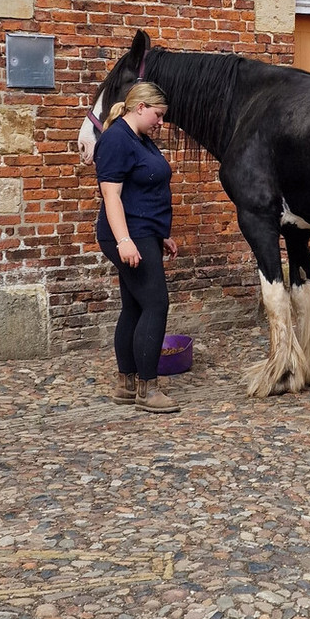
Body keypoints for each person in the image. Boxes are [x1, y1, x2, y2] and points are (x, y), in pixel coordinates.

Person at [94, 80, 180, 413]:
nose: (161, 122)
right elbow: (111, 195)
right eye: (158, 115)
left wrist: (161, 235)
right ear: (140, 107)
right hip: (129, 235)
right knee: (156, 304)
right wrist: (124, 240)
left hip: (144, 233)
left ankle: (126, 384)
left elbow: (143, 191)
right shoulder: (117, 139)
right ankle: (148, 389)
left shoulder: (139, 138)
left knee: (134, 306)